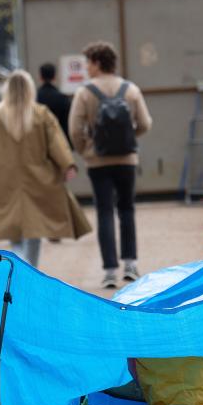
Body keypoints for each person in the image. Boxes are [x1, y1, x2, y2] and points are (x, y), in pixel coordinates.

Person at [0, 70, 91, 268]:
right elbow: (56, 143)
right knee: (35, 228)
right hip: (37, 177)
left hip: (5, 179)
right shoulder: (40, 114)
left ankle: (20, 264)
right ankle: (30, 268)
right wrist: (67, 164)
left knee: (12, 227)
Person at [69, 41, 152, 289]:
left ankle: (109, 271)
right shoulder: (131, 89)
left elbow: (75, 129)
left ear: (96, 63)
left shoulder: (85, 93)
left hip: (98, 162)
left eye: (87, 63)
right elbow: (145, 123)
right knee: (127, 209)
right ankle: (130, 264)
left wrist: (87, 150)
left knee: (105, 211)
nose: (86, 68)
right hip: (126, 159)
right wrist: (128, 139)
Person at [36, 62, 71, 143]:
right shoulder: (63, 98)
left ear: (40, 77)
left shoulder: (34, 98)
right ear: (54, 77)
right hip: (59, 141)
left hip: (39, 142)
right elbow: (67, 124)